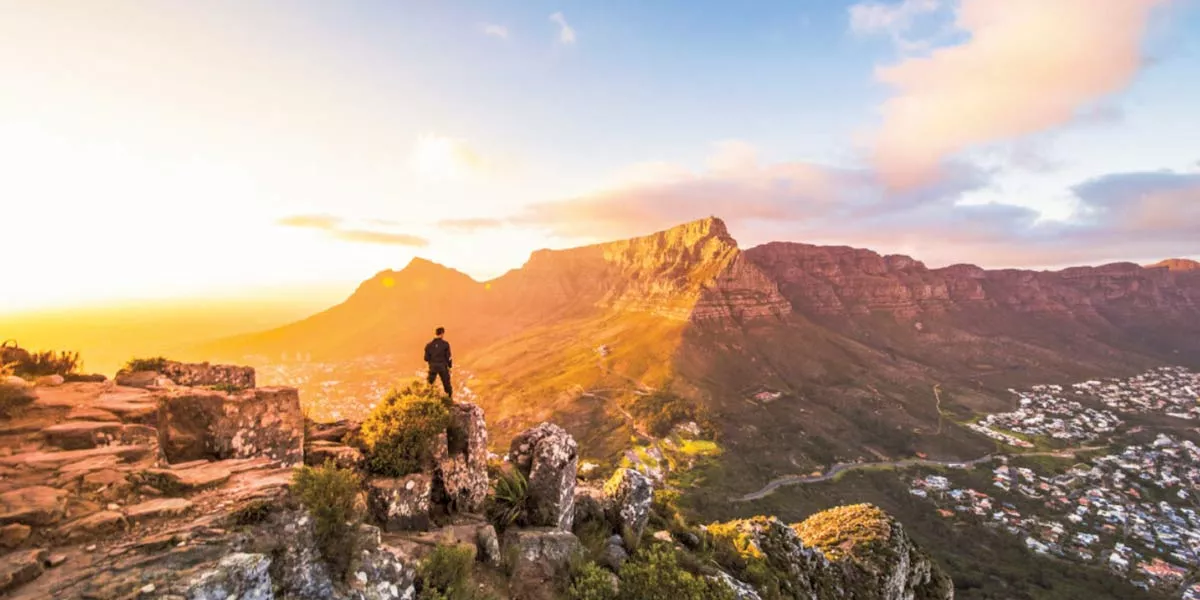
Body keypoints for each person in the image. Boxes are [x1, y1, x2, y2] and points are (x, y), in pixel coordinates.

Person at [424, 326, 453, 400]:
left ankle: (427, 399)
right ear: (442, 333)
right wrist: (450, 366)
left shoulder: (428, 345)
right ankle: (449, 399)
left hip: (433, 367)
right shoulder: (445, 344)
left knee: (429, 384)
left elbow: (426, 358)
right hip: (443, 367)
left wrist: (432, 362)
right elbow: (449, 357)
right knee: (446, 384)